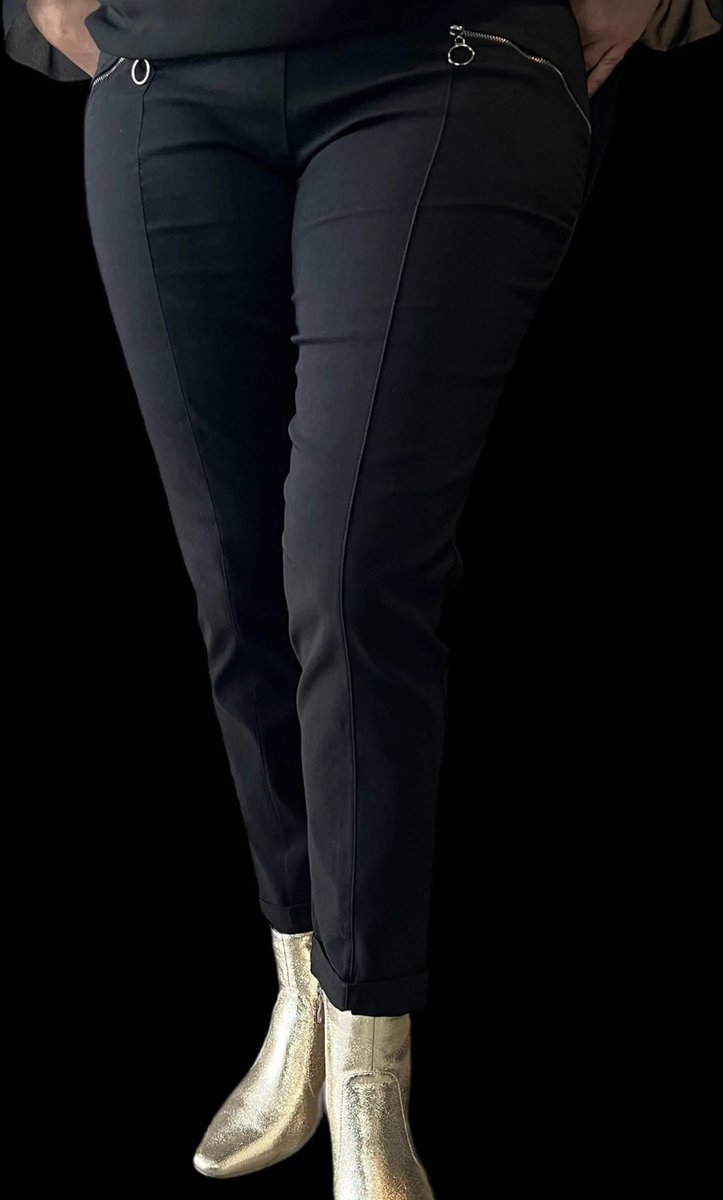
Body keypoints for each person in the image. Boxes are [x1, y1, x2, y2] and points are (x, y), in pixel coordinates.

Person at [5, 2, 720, 1196]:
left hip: (447, 49)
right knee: (233, 578)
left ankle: (368, 1070)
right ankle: (304, 994)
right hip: (166, 69)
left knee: (349, 573)